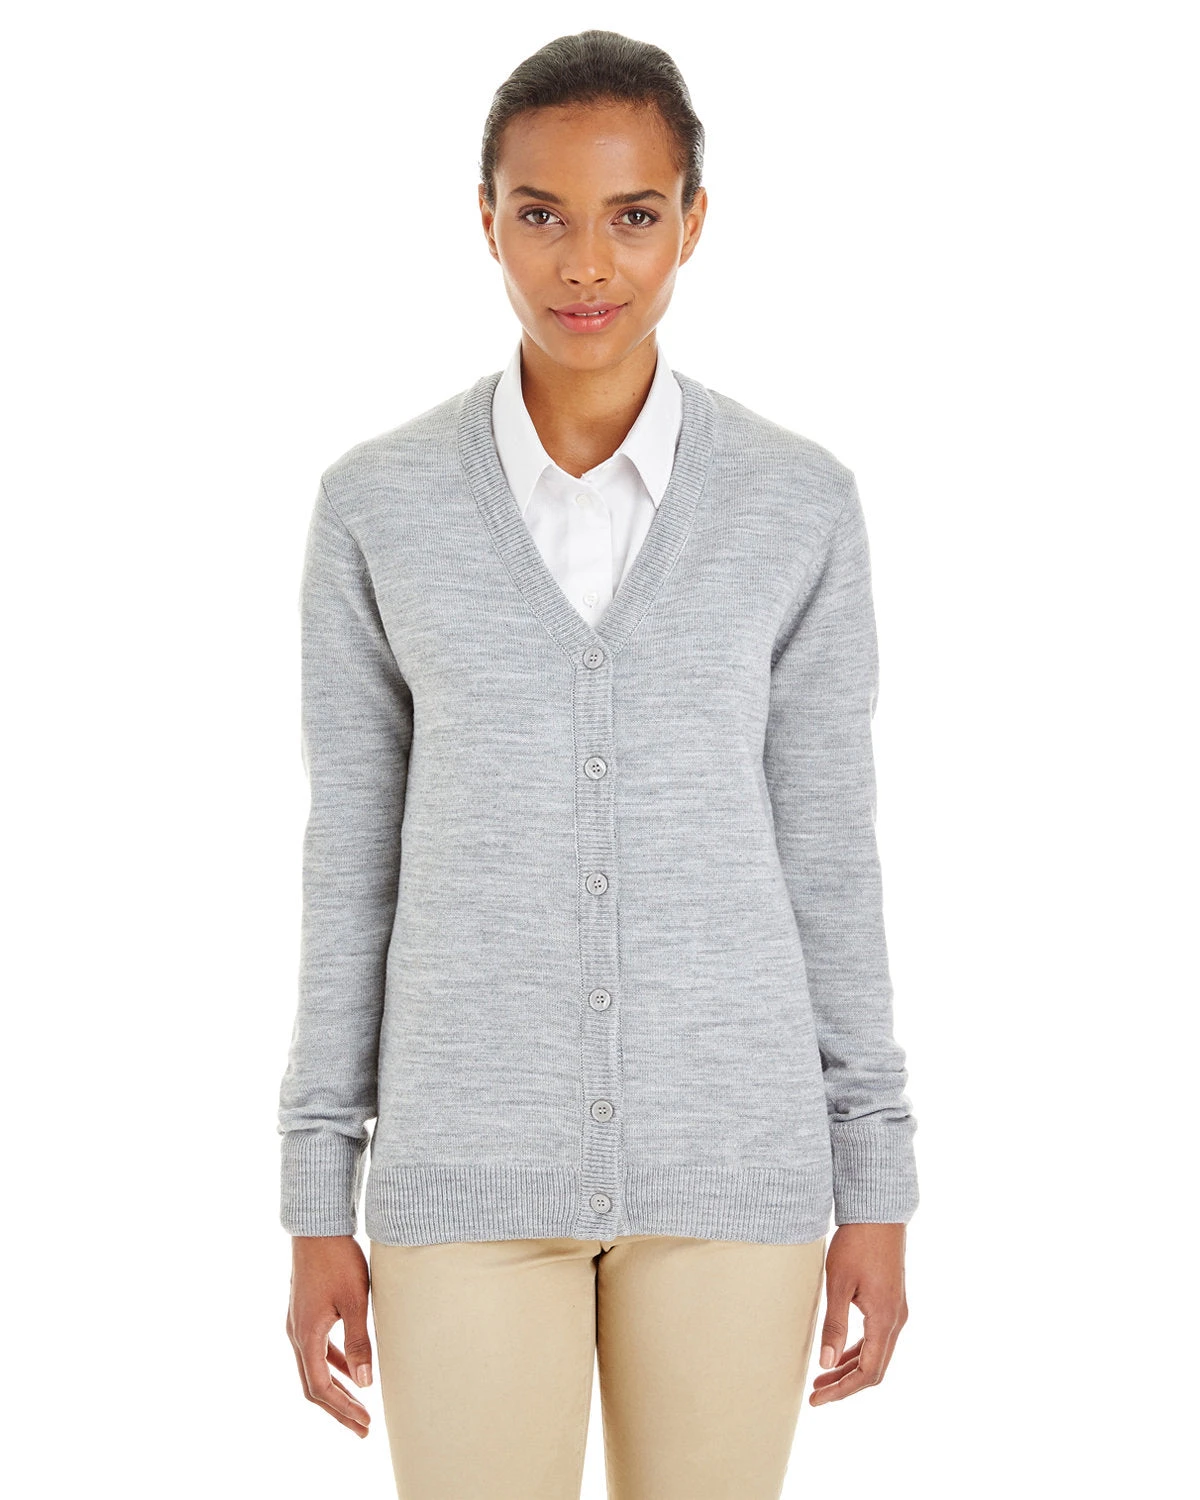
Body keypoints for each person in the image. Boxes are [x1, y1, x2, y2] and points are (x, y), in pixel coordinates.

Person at [278, 28, 919, 1500]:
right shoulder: (377, 508)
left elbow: (831, 856)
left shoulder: (799, 505)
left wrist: (875, 1179)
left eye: (634, 214)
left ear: (693, 221)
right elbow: (350, 866)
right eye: (542, 213)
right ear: (485, 219)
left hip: (733, 1174)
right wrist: (318, 1192)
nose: (586, 263)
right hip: (464, 1176)